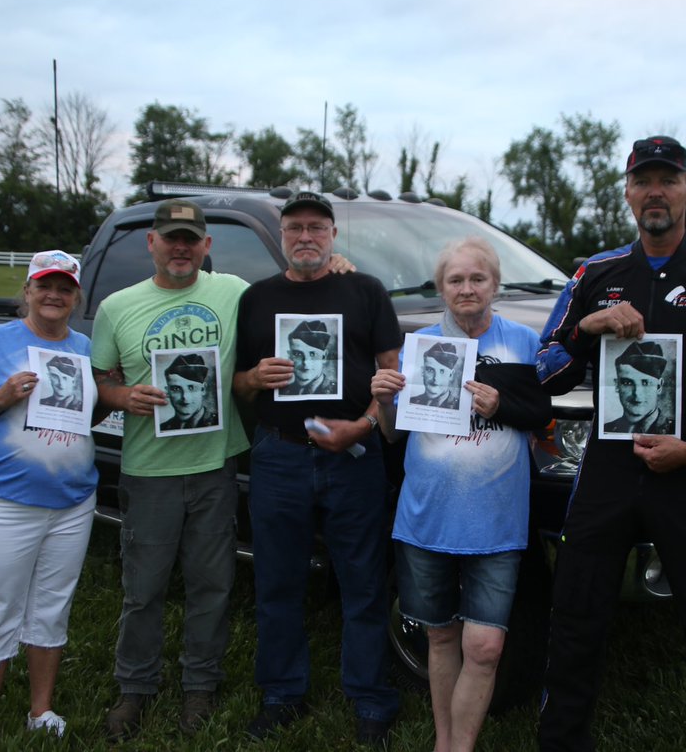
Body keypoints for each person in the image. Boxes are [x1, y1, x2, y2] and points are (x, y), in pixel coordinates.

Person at [535, 136, 686, 752]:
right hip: (608, 471)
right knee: (575, 617)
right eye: (643, 180)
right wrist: (588, 327)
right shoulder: (595, 274)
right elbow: (544, 371)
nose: (655, 191)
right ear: (627, 192)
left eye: (667, 180)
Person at [234, 190, 402, 746]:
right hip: (279, 454)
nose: (305, 236)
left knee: (362, 581)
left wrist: (363, 424)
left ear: (333, 235)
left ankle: (371, 699)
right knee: (277, 582)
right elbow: (235, 382)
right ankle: (282, 694)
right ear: (282, 237)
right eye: (294, 228)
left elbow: (391, 374)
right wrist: (256, 379)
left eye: (316, 227)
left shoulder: (365, 290)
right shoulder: (257, 299)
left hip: (354, 456)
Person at [371, 236, 551, 752]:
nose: (467, 289)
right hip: (427, 517)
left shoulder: (522, 342)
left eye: (477, 279)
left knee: (487, 645)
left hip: (496, 521)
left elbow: (540, 416)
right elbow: (391, 435)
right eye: (456, 280)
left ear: (495, 284)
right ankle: (447, 744)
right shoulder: (418, 346)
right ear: (441, 287)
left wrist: (502, 407)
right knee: (441, 636)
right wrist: (383, 402)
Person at [91, 199, 250, 740]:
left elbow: (296, 288)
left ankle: (199, 687)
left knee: (212, 584)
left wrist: (339, 265)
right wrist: (121, 395)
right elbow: (98, 385)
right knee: (144, 588)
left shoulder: (231, 291)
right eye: (170, 238)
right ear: (151, 244)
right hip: (148, 470)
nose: (180, 247)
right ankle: (134, 689)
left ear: (206, 247)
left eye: (191, 239)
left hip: (214, 467)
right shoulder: (117, 307)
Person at [0, 250, 98, 752]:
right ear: (26, 291)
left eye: (65, 288)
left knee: (51, 609)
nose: (54, 295)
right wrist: (0, 398)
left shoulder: (85, 348)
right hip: (3, 500)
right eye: (44, 286)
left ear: (76, 296)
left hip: (72, 501)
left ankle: (40, 710)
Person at [601, 340, 674, 434]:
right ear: (616, 385)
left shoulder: (675, 432)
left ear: (659, 386)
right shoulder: (606, 430)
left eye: (646, 383)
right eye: (627, 383)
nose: (637, 394)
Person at [160, 352, 218, 430]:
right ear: (167, 392)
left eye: (192, 388)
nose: (185, 397)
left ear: (203, 389)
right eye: (176, 389)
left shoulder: (216, 422)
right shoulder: (163, 428)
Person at [282, 319, 338, 395]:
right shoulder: (283, 392)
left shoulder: (337, 391)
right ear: (290, 356)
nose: (306, 363)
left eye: (313, 354)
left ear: (324, 356)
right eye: (298, 354)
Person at [408, 341, 462, 408]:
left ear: (451, 375)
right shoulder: (411, 402)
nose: (436, 379)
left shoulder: (459, 407)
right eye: (430, 370)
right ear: (422, 371)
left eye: (442, 371)